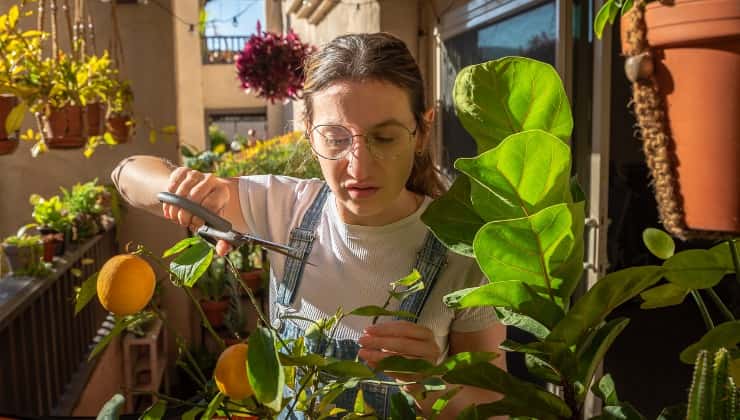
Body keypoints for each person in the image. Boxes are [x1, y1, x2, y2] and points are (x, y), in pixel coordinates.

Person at [112, 32, 506, 418]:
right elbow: (126, 173)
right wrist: (181, 187)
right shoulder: (285, 209)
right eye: (335, 138)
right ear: (308, 131)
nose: (358, 167)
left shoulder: (464, 250)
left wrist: (428, 385)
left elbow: (495, 406)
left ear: (421, 131)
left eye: (384, 138)